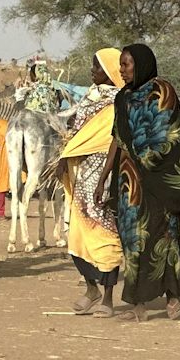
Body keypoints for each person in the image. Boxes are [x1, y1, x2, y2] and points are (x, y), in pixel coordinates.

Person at [107, 42, 180, 319]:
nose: (122, 70)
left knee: (165, 236)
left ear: (140, 64)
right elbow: (117, 140)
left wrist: (147, 158)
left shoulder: (162, 92)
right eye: (120, 65)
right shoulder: (122, 98)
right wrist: (105, 177)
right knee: (132, 237)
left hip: (159, 179)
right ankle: (138, 305)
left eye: (126, 64)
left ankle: (173, 298)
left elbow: (171, 135)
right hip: (129, 182)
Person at [59, 49, 126, 316]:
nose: (92, 71)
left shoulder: (119, 102)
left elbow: (110, 139)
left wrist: (100, 178)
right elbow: (78, 133)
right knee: (76, 233)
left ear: (110, 73)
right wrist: (65, 157)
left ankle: (108, 297)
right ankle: (91, 289)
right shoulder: (90, 96)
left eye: (97, 67)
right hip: (79, 170)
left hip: (103, 172)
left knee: (104, 231)